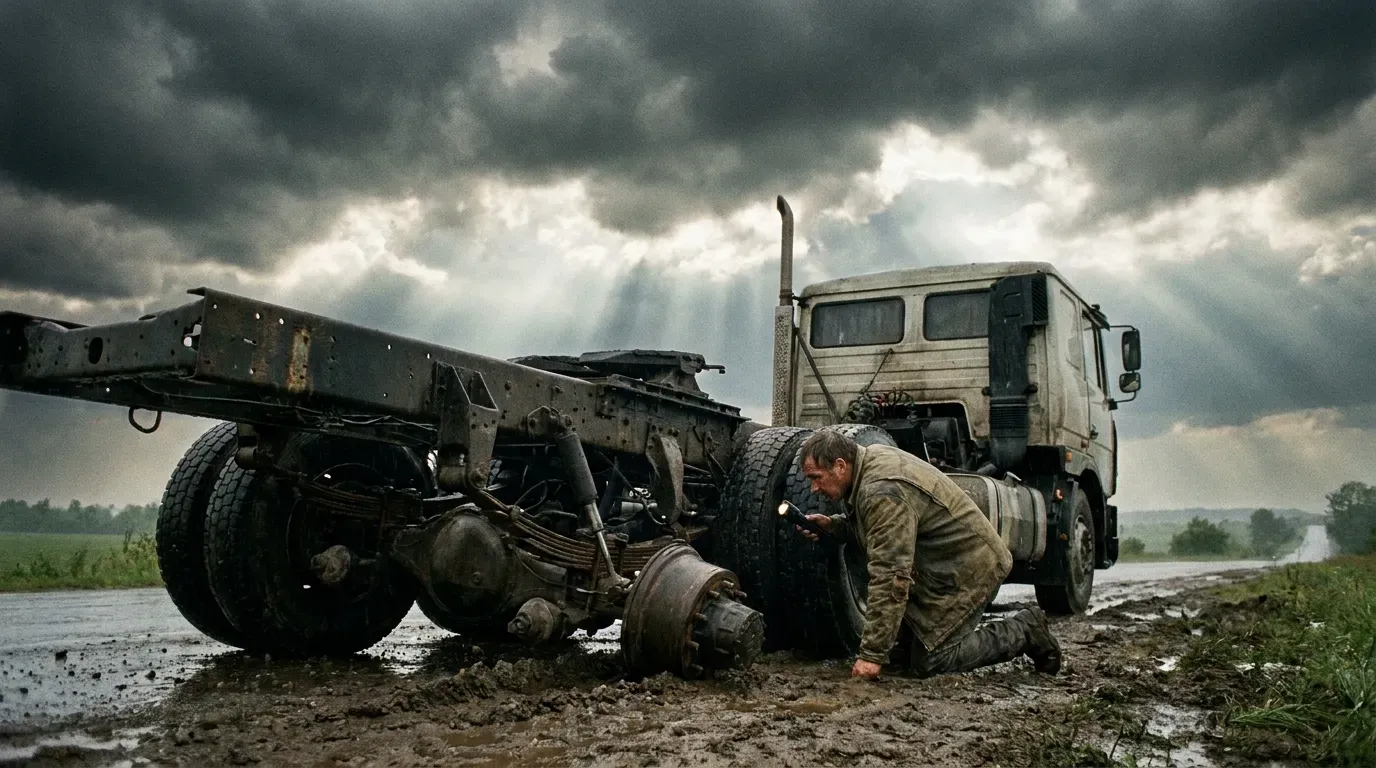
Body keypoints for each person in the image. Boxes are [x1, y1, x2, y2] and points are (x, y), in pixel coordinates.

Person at [794, 429, 1062, 679]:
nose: (814, 489)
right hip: (941, 564)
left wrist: (871, 656)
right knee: (902, 660)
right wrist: (835, 526)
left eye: (816, 478)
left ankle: (1024, 629)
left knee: (932, 661)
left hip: (967, 568)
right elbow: (876, 529)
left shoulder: (882, 489)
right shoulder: (868, 463)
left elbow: (890, 575)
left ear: (840, 466)